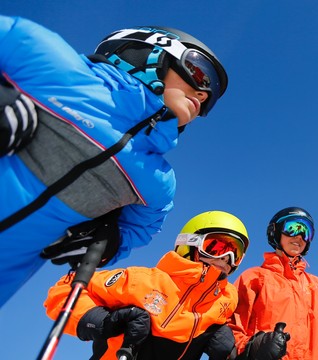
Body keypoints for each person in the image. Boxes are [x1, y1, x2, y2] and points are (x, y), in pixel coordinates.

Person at [0, 16, 229, 308]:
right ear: (150, 51)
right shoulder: (53, 65)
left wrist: (112, 242)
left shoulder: (157, 181)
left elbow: (141, 228)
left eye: (211, 98)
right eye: (200, 72)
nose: (204, 94)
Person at [43, 210, 256, 359]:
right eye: (216, 247)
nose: (226, 257)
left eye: (235, 252)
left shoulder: (226, 301)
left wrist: (245, 351)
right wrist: (103, 322)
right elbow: (65, 289)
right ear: (191, 243)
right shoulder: (142, 281)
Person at [229, 207, 318, 360]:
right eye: (292, 228)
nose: (300, 236)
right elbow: (230, 329)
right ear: (275, 231)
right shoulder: (253, 278)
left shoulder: (316, 286)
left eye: (306, 232)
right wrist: (253, 347)